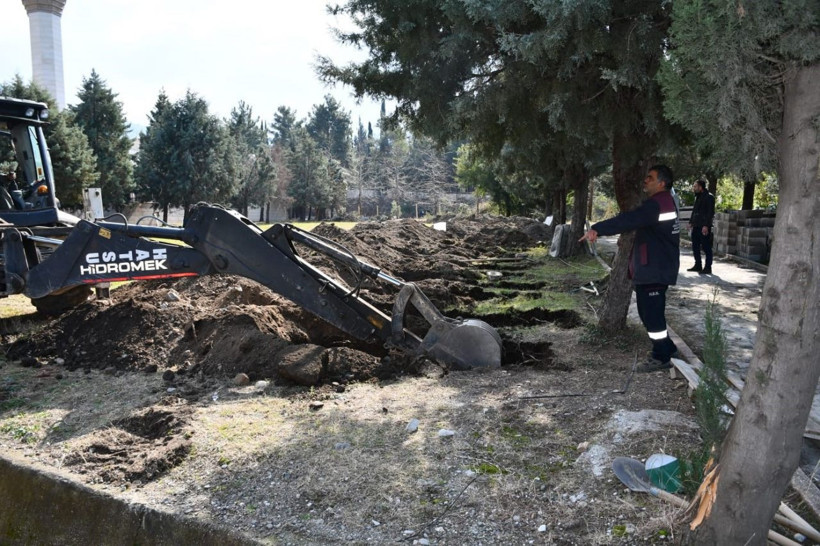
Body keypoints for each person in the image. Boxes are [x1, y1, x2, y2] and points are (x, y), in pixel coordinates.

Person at [579, 165, 680, 373]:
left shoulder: (657, 204)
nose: (645, 180)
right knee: (649, 312)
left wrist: (598, 229)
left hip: (654, 268)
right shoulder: (664, 202)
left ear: (662, 183)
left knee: (651, 315)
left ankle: (661, 357)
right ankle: (668, 349)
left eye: (650, 178)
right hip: (656, 267)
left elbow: (628, 220)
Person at [687, 179, 715, 275]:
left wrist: (706, 225)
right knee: (695, 246)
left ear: (700, 187)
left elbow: (710, 213)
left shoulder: (709, 197)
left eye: (695, 186)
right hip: (696, 225)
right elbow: (695, 211)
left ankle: (708, 267)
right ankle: (698, 265)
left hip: (704, 227)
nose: (694, 188)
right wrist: (691, 222)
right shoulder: (698, 197)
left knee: (706, 247)